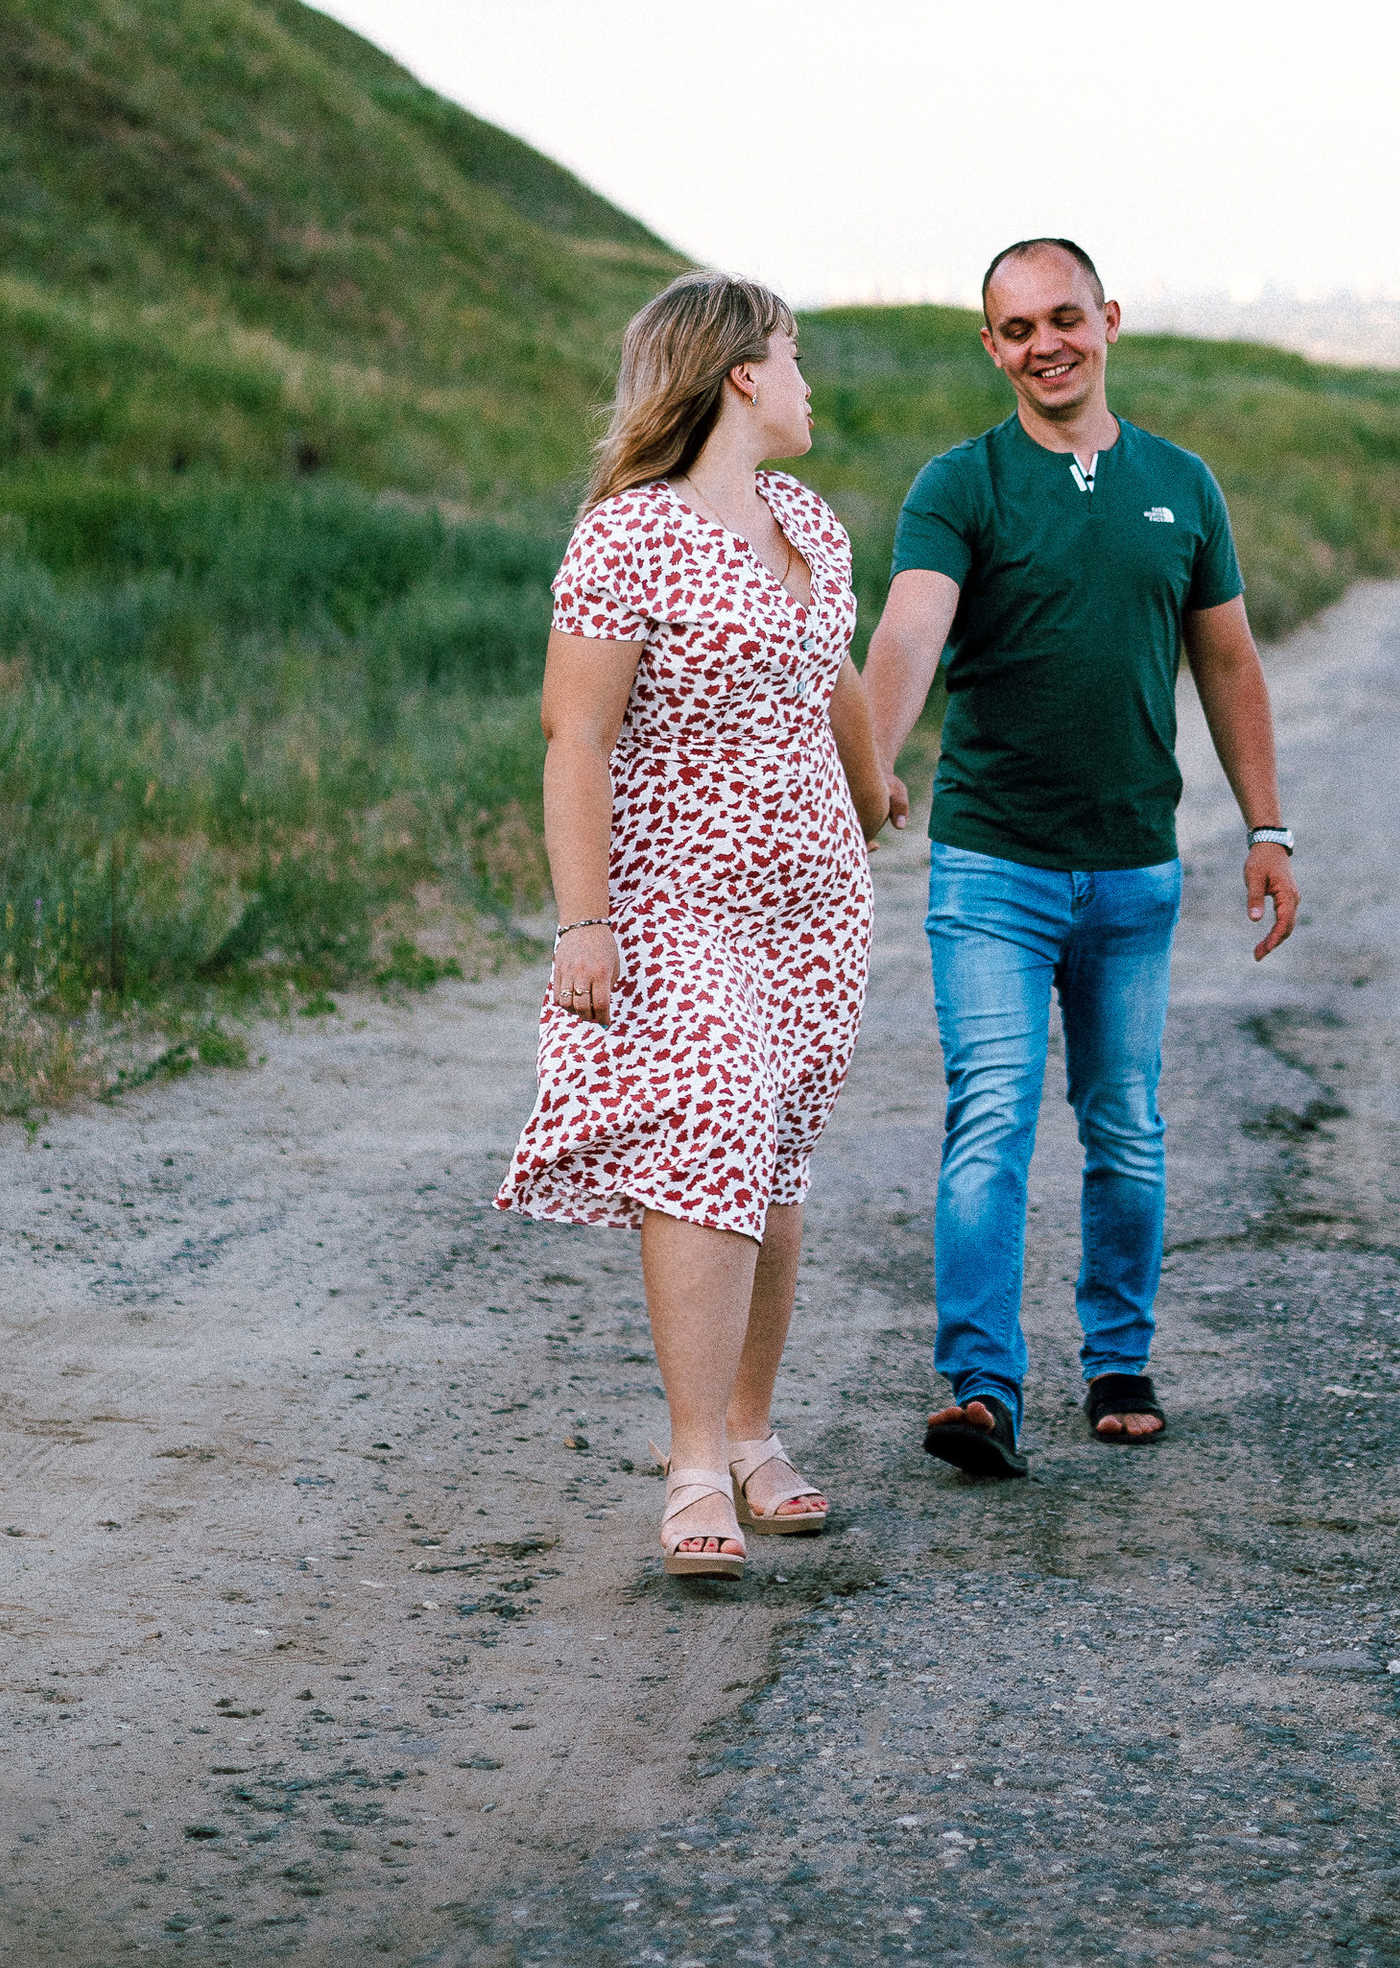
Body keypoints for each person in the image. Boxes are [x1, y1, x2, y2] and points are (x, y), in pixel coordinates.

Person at [864, 237, 1297, 1475]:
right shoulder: (963, 485)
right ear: (989, 347)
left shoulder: (1182, 484)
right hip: (992, 869)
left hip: (1132, 872)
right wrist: (865, 765)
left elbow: (1227, 662)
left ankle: (1118, 1358)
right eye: (1015, 329)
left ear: (1107, 319)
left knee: (1126, 1126)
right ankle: (982, 1389)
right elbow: (909, 634)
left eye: (1064, 317)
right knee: (988, 1117)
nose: (1043, 344)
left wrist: (1266, 828)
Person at [496, 272, 904, 1582]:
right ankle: (687, 1467)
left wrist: (872, 776)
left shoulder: (807, 522)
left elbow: (828, 659)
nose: (806, 383)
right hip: (677, 897)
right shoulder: (626, 537)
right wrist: (583, 919)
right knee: (711, 1128)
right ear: (739, 375)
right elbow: (578, 732)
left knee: (773, 1160)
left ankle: (751, 1435)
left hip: (815, 902)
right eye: (791, 358)